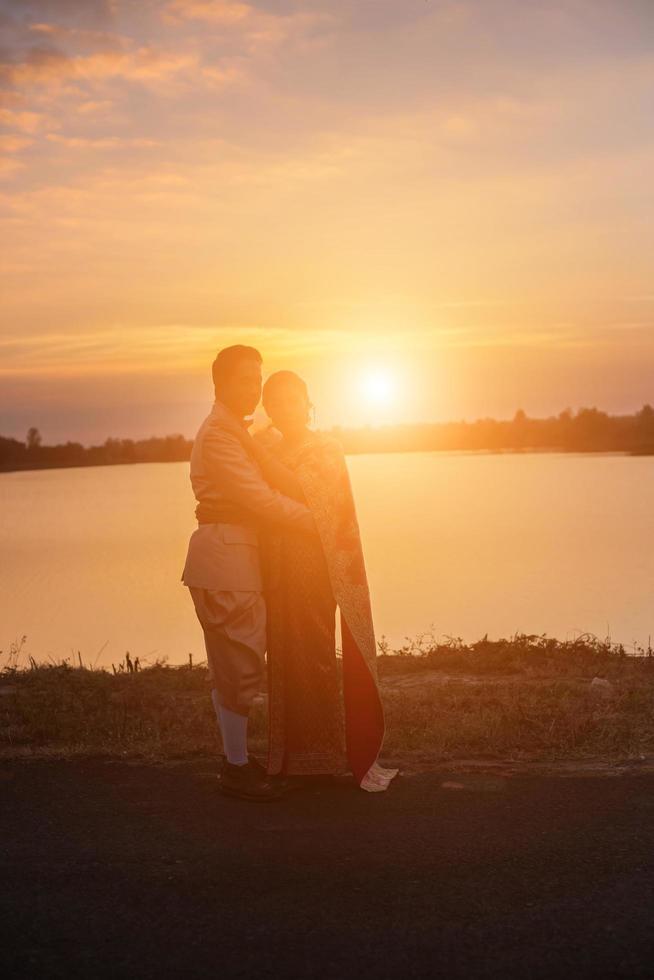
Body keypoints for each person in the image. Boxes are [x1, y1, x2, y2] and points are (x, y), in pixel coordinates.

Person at [233, 370, 398, 792]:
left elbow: (301, 490)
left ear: (307, 402)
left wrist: (254, 447)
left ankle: (323, 757)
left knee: (314, 654)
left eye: (292, 399)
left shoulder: (325, 447)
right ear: (267, 407)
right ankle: (288, 756)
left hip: (313, 564)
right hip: (273, 563)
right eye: (275, 401)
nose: (284, 408)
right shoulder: (267, 445)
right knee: (283, 655)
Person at [181, 346, 317, 802]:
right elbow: (258, 498)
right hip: (225, 561)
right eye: (245, 380)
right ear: (220, 384)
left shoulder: (238, 430)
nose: (254, 390)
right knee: (239, 667)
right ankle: (235, 769)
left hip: (231, 561)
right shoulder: (219, 435)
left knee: (233, 666)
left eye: (257, 380)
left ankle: (235, 761)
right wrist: (317, 519)